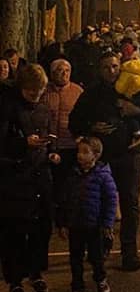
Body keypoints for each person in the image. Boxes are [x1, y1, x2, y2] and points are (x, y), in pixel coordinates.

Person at [69, 52, 140, 271]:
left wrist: (139, 113)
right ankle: (100, 246)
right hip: (102, 158)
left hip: (129, 154)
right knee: (100, 203)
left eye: (115, 66)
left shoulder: (132, 88)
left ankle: (129, 251)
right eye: (106, 67)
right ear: (100, 69)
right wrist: (91, 128)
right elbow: (75, 121)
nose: (112, 71)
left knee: (130, 202)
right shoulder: (92, 94)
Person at [0, 64, 61, 292]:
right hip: (16, 178)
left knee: (41, 229)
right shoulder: (7, 109)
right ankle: (14, 279)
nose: (36, 96)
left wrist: (52, 152)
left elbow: (48, 136)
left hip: (40, 176)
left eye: (39, 92)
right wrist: (24, 143)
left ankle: (36, 272)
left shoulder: (43, 109)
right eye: (31, 92)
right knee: (14, 230)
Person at [56, 136, 117, 292]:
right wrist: (62, 223)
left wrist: (107, 224)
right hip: (76, 224)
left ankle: (100, 280)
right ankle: (77, 287)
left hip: (94, 225)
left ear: (95, 155)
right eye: (79, 151)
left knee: (96, 257)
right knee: (75, 258)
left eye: (85, 152)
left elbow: (110, 201)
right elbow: (65, 199)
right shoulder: (73, 175)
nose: (80, 155)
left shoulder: (103, 176)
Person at [42, 59, 84, 206]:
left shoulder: (78, 91)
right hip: (49, 144)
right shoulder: (44, 91)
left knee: (69, 184)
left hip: (70, 144)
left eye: (67, 71)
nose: (64, 74)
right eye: (60, 70)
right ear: (52, 73)